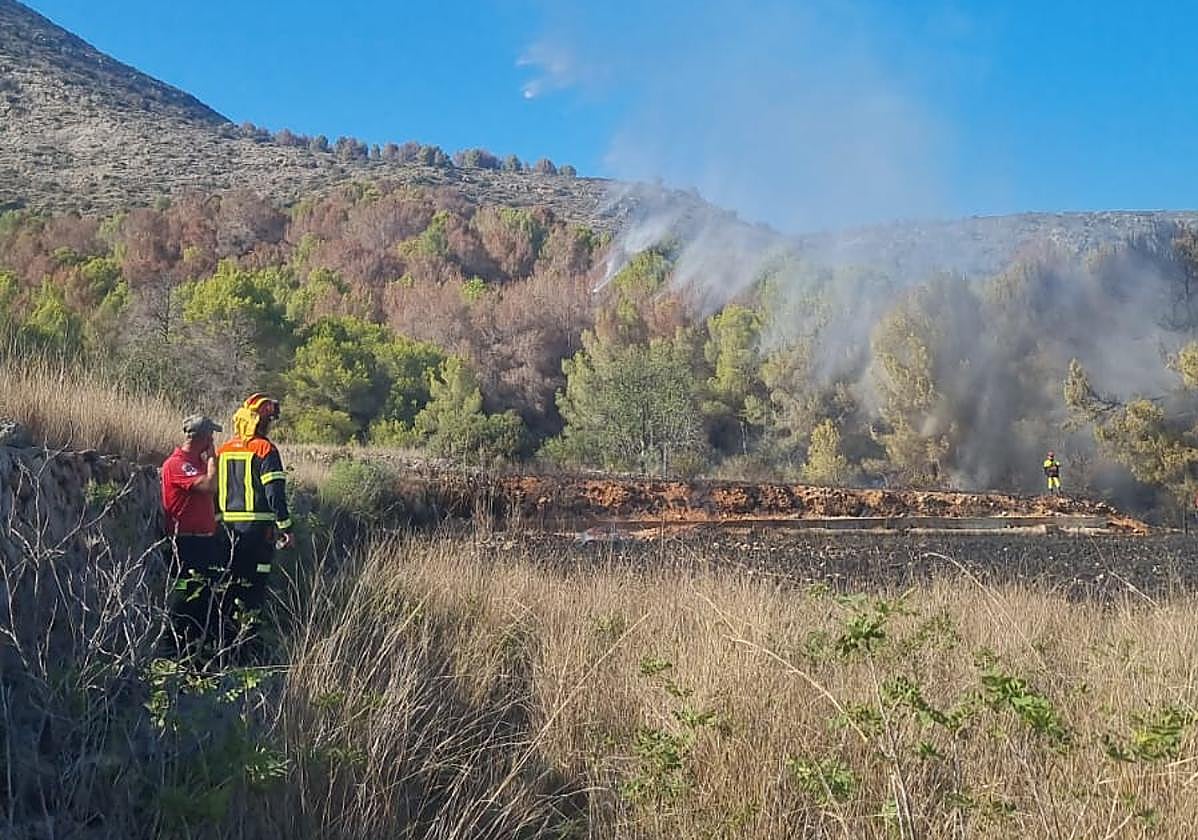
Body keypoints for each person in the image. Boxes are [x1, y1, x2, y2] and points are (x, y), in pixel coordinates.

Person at [215, 394, 293, 637]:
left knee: (229, 587)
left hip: (227, 531)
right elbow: (274, 495)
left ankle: (224, 640)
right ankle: (249, 644)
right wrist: (286, 528)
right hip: (258, 534)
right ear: (260, 421)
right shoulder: (265, 450)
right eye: (269, 419)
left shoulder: (224, 449)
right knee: (254, 589)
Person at [160, 414, 223, 651]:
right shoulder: (178, 464)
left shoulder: (195, 463)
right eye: (211, 435)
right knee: (186, 601)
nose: (213, 440)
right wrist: (212, 459)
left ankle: (197, 653)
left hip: (203, 544)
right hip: (186, 545)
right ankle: (177, 651)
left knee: (203, 600)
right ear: (203, 437)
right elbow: (210, 485)